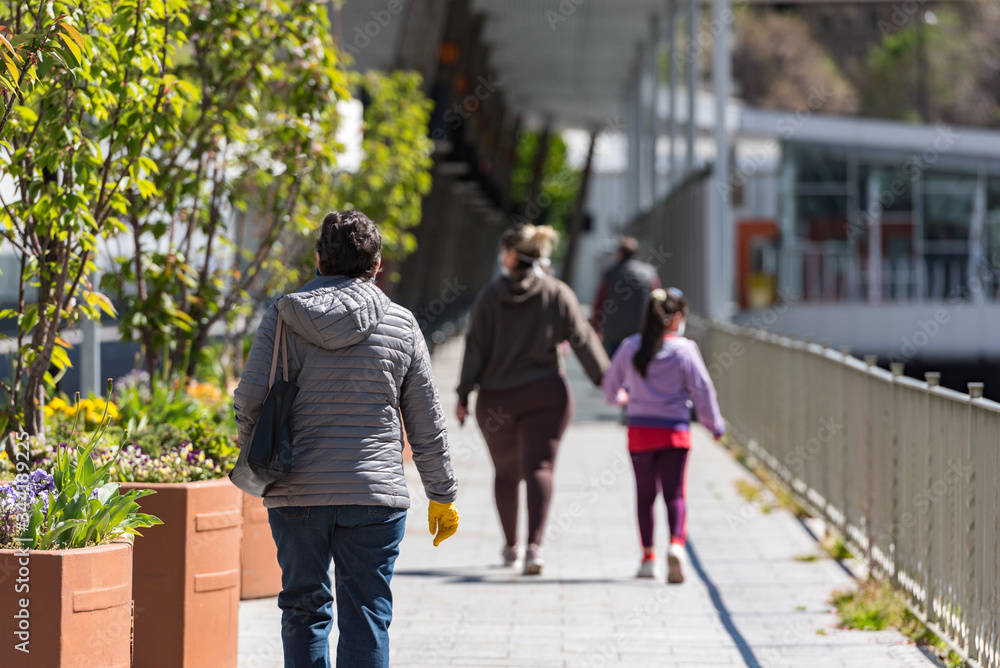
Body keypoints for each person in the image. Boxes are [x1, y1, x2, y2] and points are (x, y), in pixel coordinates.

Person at [234, 210, 460, 668]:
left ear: (319, 259)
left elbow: (249, 400)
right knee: (367, 612)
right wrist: (442, 494)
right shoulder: (401, 324)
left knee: (303, 608)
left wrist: (262, 457)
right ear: (377, 266)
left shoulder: (281, 318)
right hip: (375, 496)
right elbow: (425, 421)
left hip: (296, 491)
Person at [456, 223, 609, 575]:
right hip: (546, 394)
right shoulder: (557, 293)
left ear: (511, 255)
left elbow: (475, 346)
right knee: (540, 467)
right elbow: (582, 338)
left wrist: (464, 393)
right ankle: (534, 548)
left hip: (497, 401)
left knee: (506, 473)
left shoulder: (490, 297)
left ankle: (511, 547)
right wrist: (608, 381)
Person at [601, 287, 724, 584]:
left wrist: (623, 398)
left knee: (645, 496)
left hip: (640, 432)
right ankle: (677, 546)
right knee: (675, 494)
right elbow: (703, 391)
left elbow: (609, 388)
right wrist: (714, 425)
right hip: (675, 433)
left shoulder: (631, 347)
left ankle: (647, 558)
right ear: (677, 318)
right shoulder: (685, 350)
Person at [590, 236, 662, 358]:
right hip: (640, 334)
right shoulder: (649, 273)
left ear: (620, 253)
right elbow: (658, 301)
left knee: (614, 370)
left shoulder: (610, 273)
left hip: (614, 335)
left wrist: (596, 326)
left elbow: (600, 302)